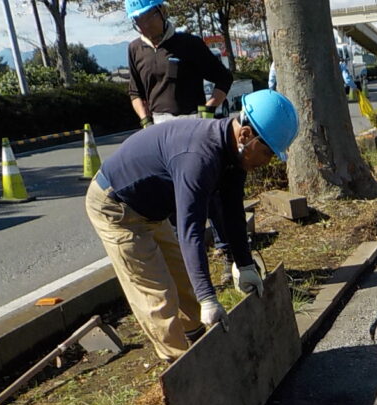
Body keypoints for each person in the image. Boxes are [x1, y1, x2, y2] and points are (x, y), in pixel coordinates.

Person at [85, 90, 299, 363]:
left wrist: (245, 264)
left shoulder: (234, 155)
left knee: (185, 283)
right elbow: (191, 231)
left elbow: (232, 212)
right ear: (246, 135)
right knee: (158, 296)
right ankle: (180, 368)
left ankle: (200, 347)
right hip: (116, 207)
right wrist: (209, 297)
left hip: (151, 208)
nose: (267, 161)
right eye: (267, 152)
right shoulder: (199, 158)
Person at [124, 0, 238, 282]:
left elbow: (223, 78)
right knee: (174, 198)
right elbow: (135, 92)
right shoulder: (135, 49)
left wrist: (208, 109)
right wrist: (145, 120)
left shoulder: (188, 44)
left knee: (209, 192)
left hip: (192, 127)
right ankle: (186, 266)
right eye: (137, 21)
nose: (143, 25)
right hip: (159, 133)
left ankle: (228, 253)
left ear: (161, 12)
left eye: (147, 17)